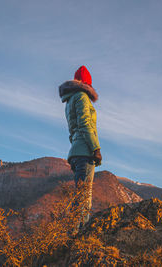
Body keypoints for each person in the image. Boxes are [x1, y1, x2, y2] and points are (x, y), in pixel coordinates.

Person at [59, 65, 102, 227]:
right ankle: (78, 235)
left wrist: (76, 148)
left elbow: (72, 131)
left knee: (80, 194)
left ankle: (74, 233)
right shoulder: (82, 97)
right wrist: (95, 149)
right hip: (85, 152)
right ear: (87, 84)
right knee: (84, 197)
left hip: (76, 153)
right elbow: (85, 125)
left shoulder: (69, 101)